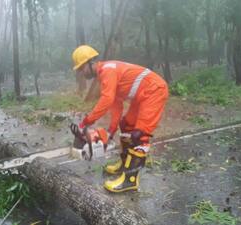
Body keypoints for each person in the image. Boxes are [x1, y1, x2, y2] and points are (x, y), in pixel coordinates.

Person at [72, 45, 169, 193]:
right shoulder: (105, 75)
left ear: (90, 63)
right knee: (126, 125)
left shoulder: (107, 71)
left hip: (154, 91)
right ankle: (124, 164)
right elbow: (116, 106)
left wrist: (86, 122)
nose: (81, 72)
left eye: (81, 68)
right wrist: (111, 131)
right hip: (142, 96)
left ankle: (130, 181)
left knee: (139, 135)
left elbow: (106, 101)